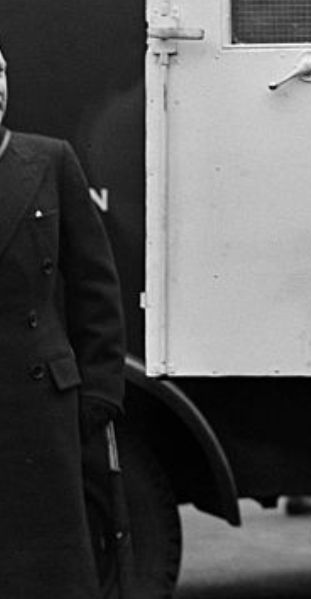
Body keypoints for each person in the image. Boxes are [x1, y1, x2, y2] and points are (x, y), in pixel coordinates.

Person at [0, 40, 127, 598]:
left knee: (43, 571)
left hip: (39, 406)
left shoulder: (49, 159)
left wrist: (99, 391)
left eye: (0, 72)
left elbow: (95, 283)